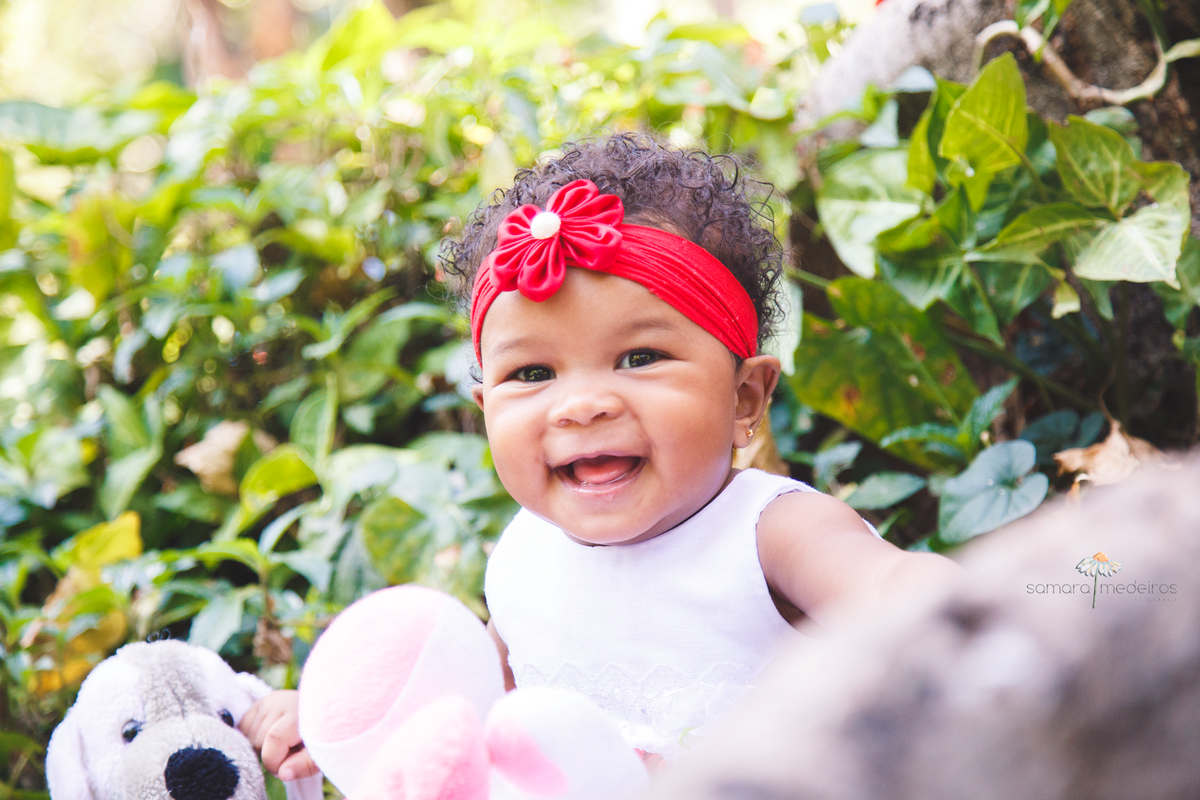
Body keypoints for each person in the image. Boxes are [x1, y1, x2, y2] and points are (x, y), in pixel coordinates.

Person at [240, 133, 960, 774]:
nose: (581, 404)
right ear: (485, 410)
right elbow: (469, 704)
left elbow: (899, 593)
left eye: (639, 356)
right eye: (532, 374)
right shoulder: (524, 558)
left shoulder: (770, 533)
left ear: (744, 398)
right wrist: (339, 723)